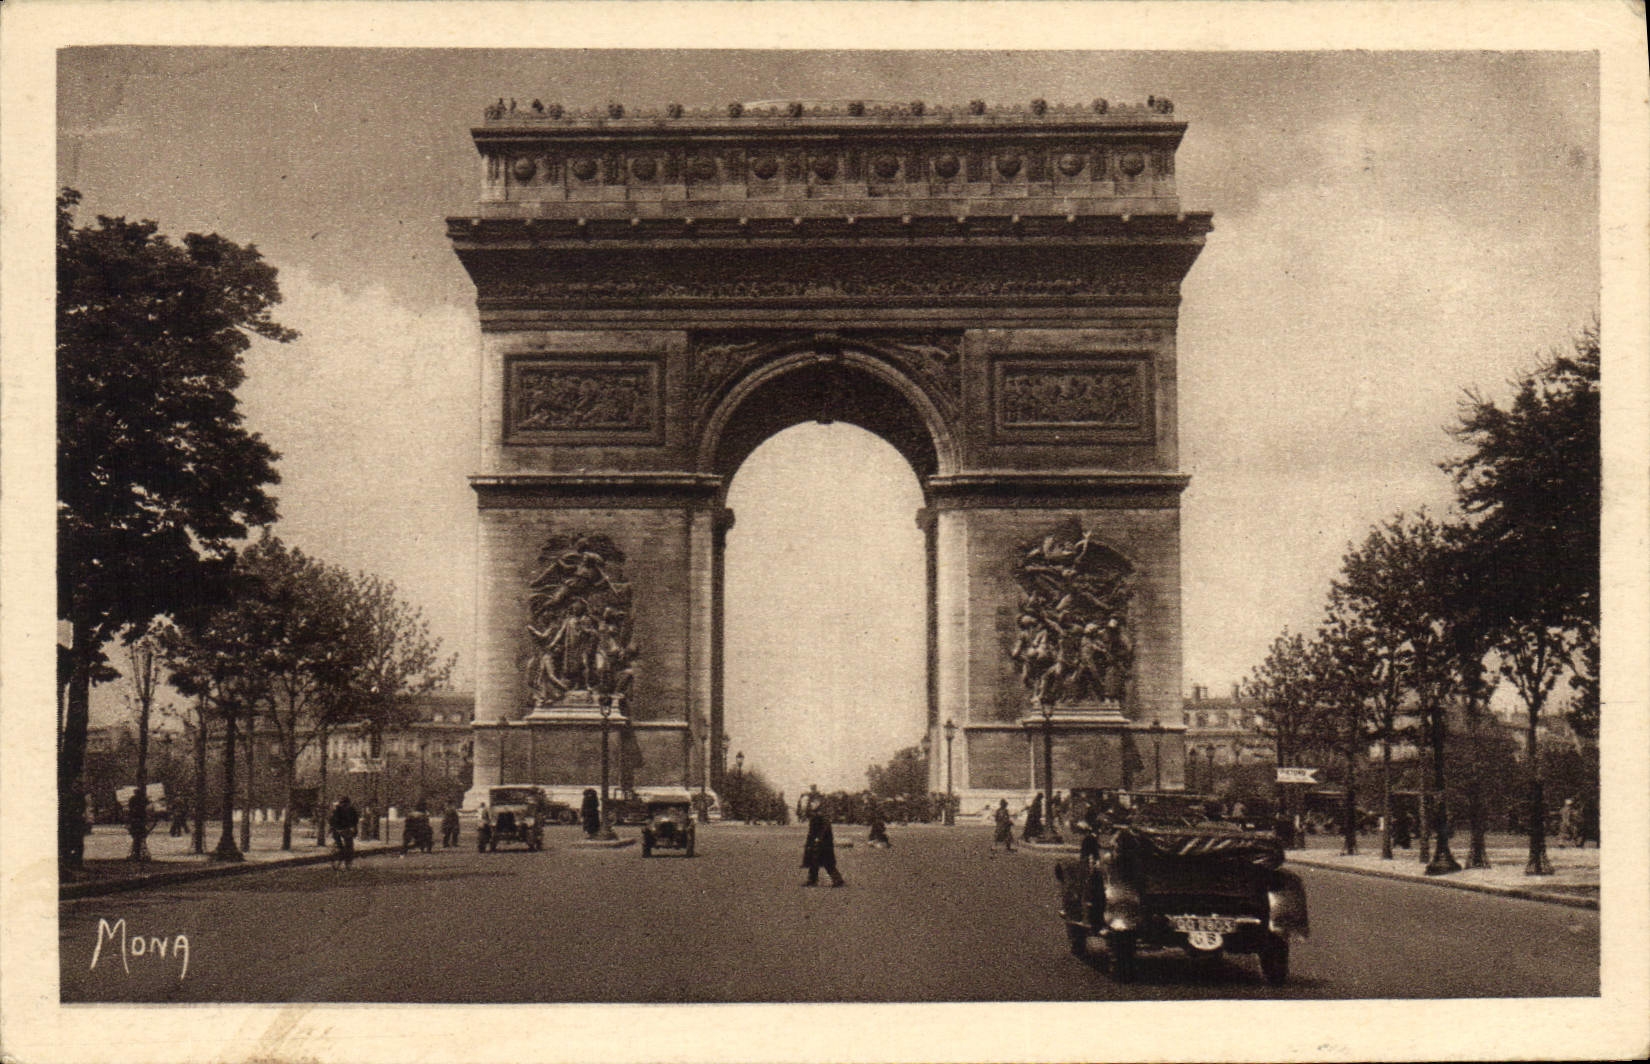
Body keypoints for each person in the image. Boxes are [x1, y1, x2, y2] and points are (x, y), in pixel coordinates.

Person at [801, 804, 845, 886]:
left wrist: (818, 838)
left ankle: (837, 880)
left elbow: (824, 829)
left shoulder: (822, 818)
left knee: (826, 862)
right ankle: (813, 880)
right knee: (814, 862)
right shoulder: (816, 817)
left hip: (823, 843)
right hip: (818, 842)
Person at [329, 796, 360, 869]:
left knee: (348, 844)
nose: (344, 806)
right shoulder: (339, 810)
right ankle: (346, 859)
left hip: (343, 829)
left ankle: (344, 857)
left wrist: (354, 829)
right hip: (341, 829)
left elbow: (355, 821)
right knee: (348, 845)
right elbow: (332, 820)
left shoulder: (349, 810)